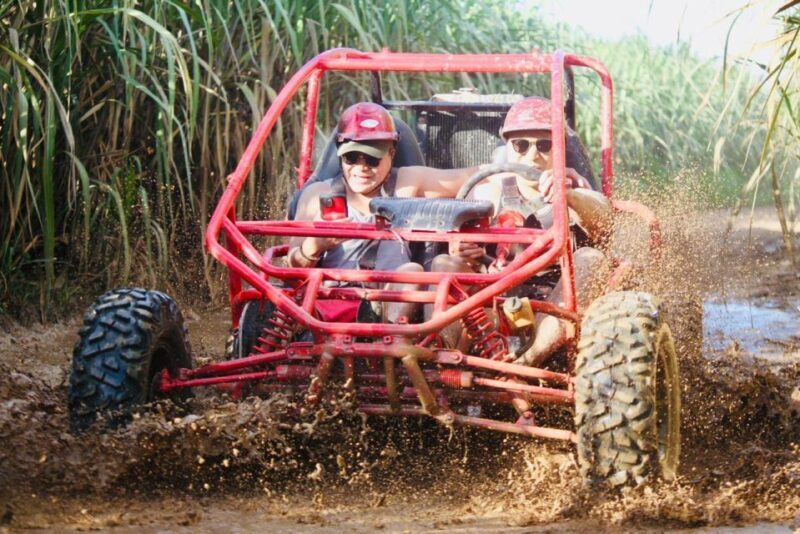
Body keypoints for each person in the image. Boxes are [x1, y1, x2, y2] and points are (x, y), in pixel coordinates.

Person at [431, 96, 614, 366]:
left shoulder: (576, 189)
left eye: (544, 145)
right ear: (508, 147)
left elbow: (605, 219)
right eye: (521, 145)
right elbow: (459, 237)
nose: (532, 155)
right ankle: (446, 362)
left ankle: (528, 360)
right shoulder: (490, 189)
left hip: (554, 302)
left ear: (560, 148)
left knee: (591, 259)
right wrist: (465, 248)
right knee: (443, 263)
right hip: (497, 299)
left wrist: (570, 196)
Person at [288, 102, 486, 322]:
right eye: (351, 158)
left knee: (411, 271)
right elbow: (291, 268)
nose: (361, 168)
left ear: (391, 154)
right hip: (333, 301)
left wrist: (518, 157)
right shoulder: (318, 194)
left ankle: (389, 344)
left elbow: (477, 176)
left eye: (372, 159)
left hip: (394, 303)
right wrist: (314, 246)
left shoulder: (406, 183)